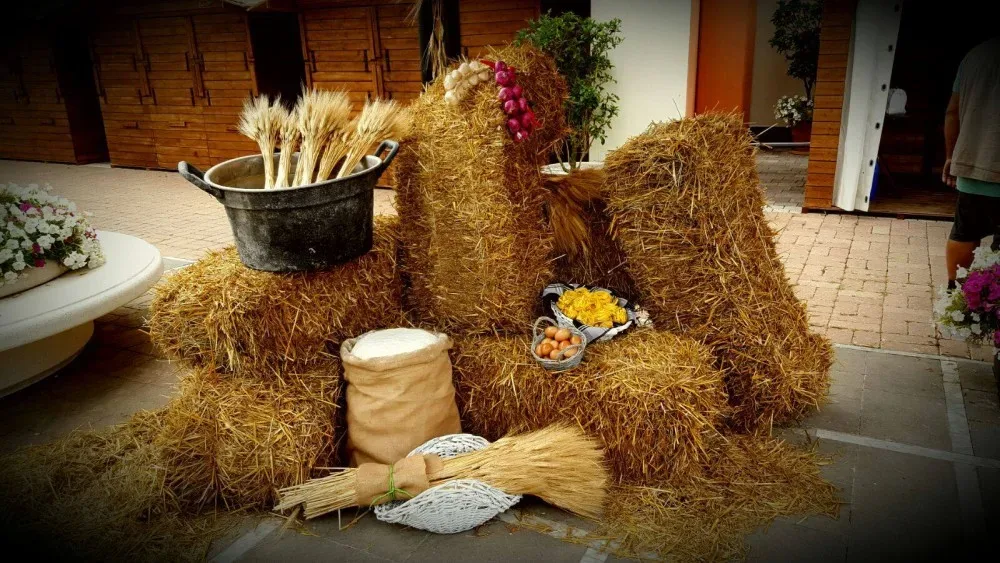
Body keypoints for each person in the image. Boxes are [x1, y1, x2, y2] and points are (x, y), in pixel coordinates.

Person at [944, 36, 1000, 289]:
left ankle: (956, 299)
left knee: (965, 231)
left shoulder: (975, 56)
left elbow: (952, 111)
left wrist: (951, 155)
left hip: (976, 160)